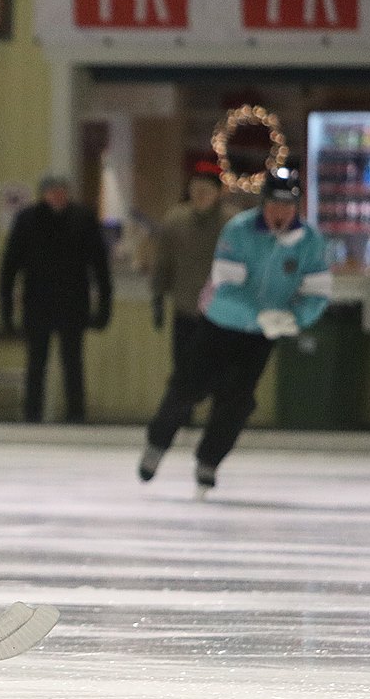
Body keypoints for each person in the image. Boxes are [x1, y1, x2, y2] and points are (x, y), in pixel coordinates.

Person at [139, 167, 330, 495]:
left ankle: (209, 461)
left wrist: (294, 320)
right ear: (263, 204)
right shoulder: (239, 230)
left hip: (260, 337)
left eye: (287, 206)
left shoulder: (310, 242)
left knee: (237, 402)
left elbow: (316, 292)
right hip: (220, 325)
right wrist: (263, 317)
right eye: (274, 205)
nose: (280, 213)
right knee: (186, 388)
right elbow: (225, 287)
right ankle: (157, 444)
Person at [0, 174, 112, 424]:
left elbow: (100, 267)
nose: (58, 196)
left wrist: (104, 306)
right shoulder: (28, 220)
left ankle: (76, 414)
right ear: (44, 194)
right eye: (53, 191)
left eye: (62, 191)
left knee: (73, 363)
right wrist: (6, 307)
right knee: (36, 363)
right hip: (37, 302)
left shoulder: (83, 219)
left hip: (73, 303)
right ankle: (32, 414)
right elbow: (10, 267)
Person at [152, 161, 227, 375]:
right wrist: (157, 297)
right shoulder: (175, 221)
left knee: (219, 374)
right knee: (183, 374)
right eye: (196, 189)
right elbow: (163, 263)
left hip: (221, 313)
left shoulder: (231, 224)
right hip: (185, 310)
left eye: (206, 190)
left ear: (218, 192)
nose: (200, 195)